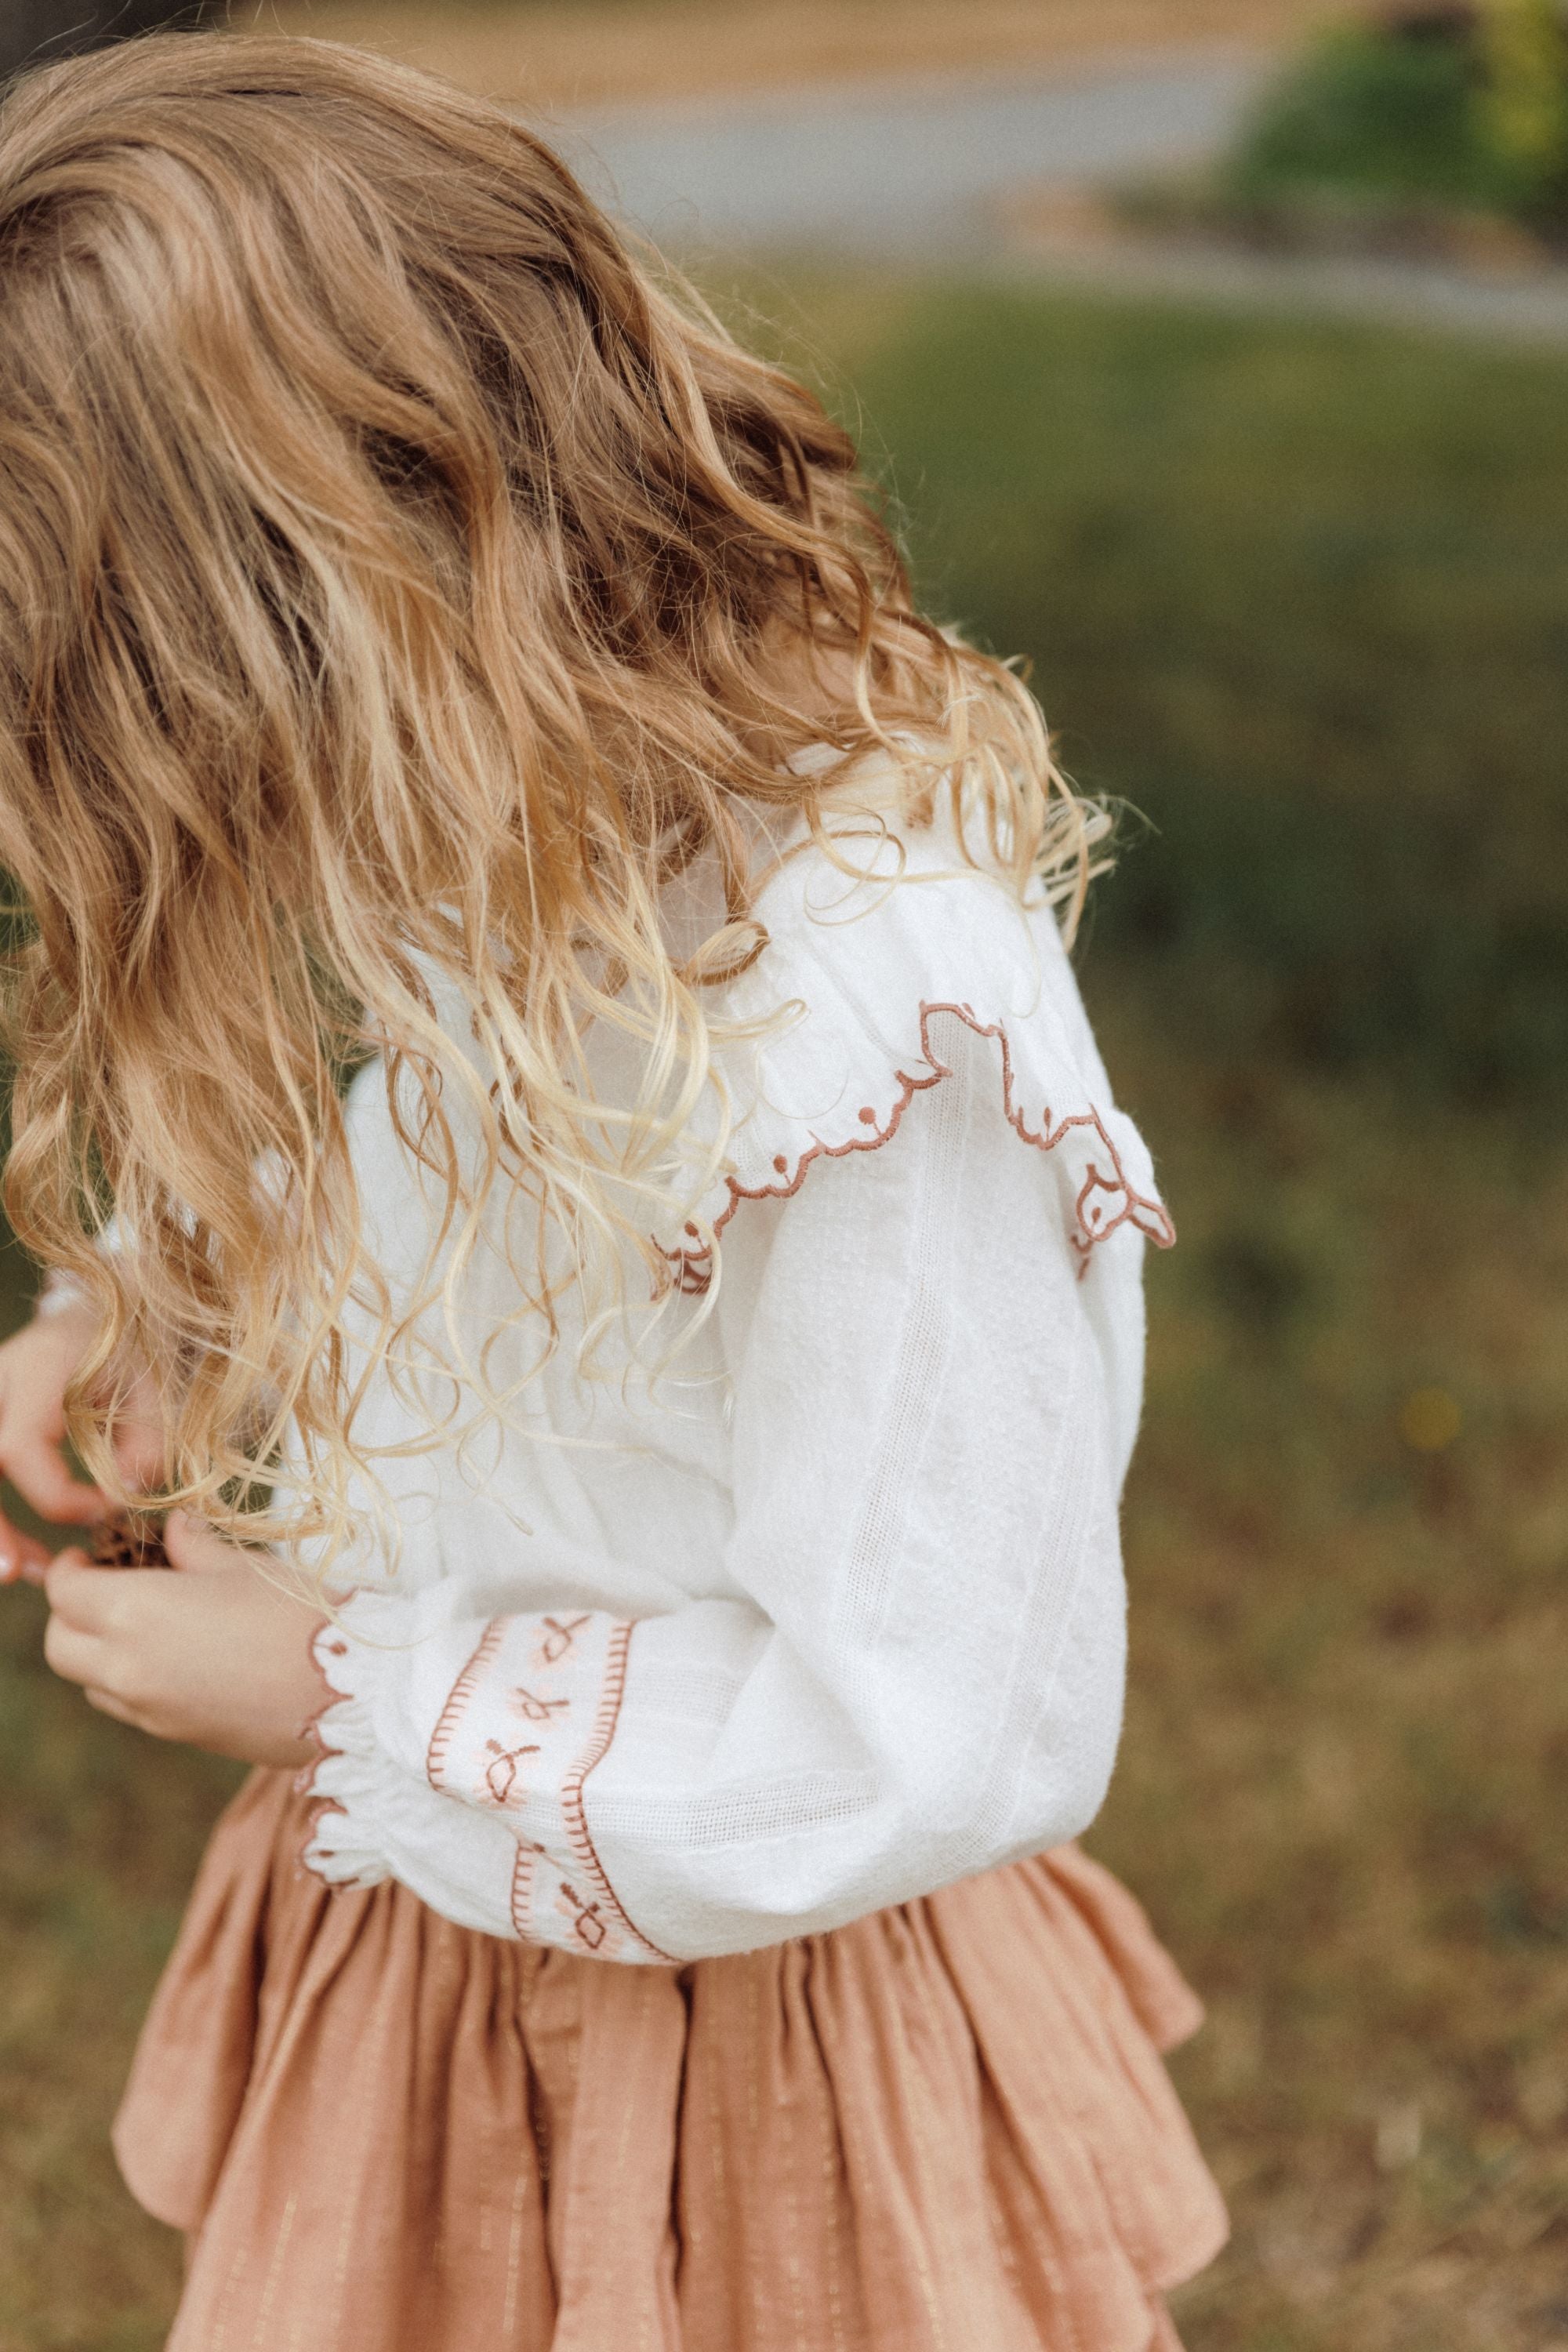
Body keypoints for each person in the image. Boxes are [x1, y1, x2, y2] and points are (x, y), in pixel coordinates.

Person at [0, 32, 1228, 2351]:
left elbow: (931, 1719)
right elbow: (408, 1160)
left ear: (335, 617)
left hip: (751, 2031)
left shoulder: (873, 1027)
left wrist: (349, 1693)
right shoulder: (477, 830)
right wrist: (156, 1326)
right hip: (442, 1982)